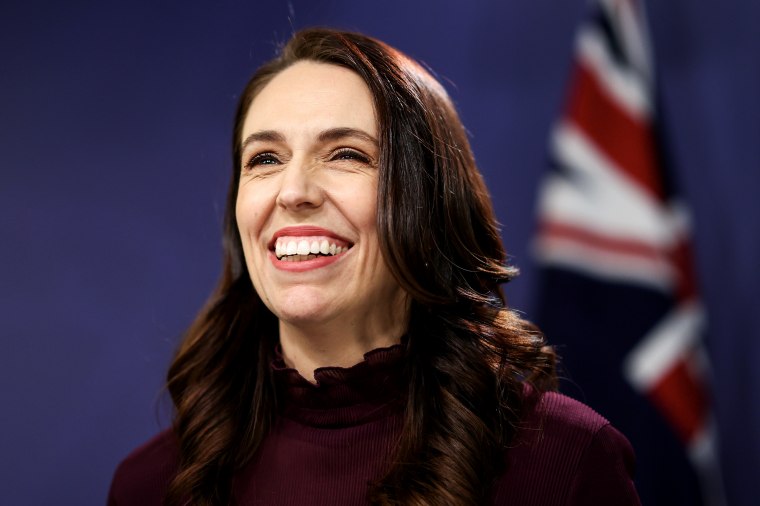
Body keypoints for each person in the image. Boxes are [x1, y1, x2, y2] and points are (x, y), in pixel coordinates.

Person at [108, 28, 640, 505]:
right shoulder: (152, 485)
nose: (293, 192)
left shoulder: (565, 465)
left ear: (430, 202)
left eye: (346, 154)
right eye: (265, 159)